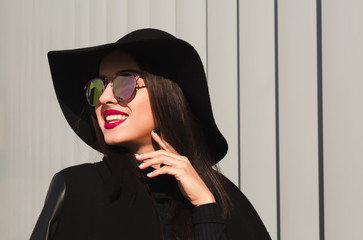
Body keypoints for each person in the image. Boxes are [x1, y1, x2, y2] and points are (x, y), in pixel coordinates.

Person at [30, 28, 271, 240]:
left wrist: (205, 208)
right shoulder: (77, 190)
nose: (104, 98)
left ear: (165, 94)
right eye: (97, 87)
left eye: (124, 83)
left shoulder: (225, 200)